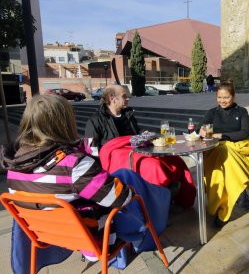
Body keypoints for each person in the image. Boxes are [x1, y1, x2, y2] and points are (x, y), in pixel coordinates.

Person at [0, 95, 170, 270]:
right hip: (93, 237)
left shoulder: (14, 167)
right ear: (64, 122)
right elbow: (122, 198)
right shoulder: (74, 166)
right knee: (134, 191)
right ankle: (155, 218)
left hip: (47, 235)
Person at [85, 85, 196, 208]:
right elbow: (91, 151)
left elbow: (137, 133)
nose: (128, 99)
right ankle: (158, 203)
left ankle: (179, 196)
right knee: (153, 166)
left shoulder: (128, 114)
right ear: (112, 98)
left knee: (175, 160)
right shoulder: (95, 121)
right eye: (124, 96)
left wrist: (147, 135)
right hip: (118, 158)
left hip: (136, 150)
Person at [199, 81, 249, 227]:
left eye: (226, 97)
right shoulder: (211, 113)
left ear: (233, 97)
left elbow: (244, 133)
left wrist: (221, 135)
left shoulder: (241, 112)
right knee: (224, 151)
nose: (222, 101)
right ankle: (241, 194)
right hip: (217, 151)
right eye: (220, 97)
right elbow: (199, 129)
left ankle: (227, 208)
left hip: (240, 149)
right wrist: (200, 131)